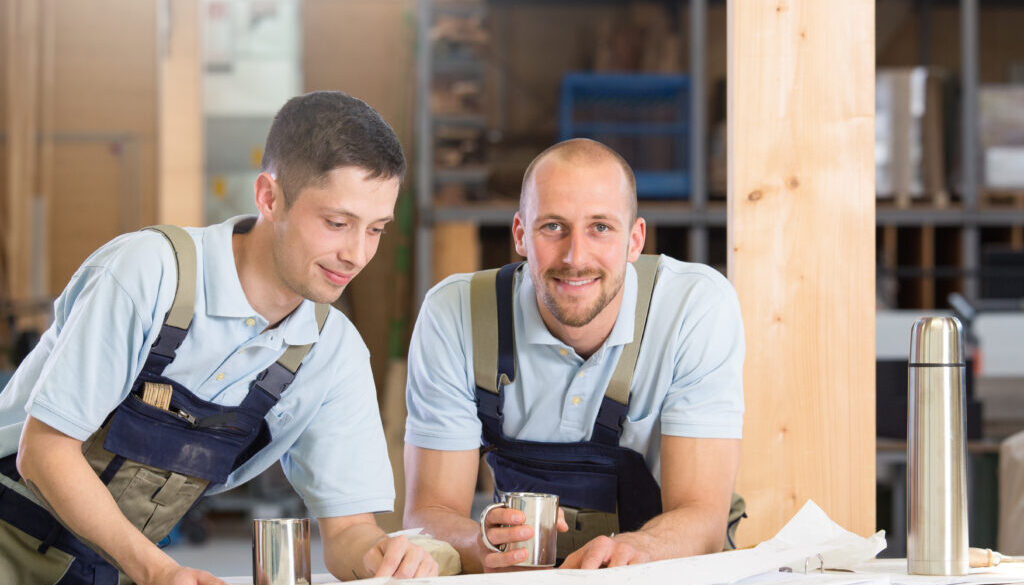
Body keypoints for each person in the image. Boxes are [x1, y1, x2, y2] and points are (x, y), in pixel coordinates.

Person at [0, 91, 437, 584]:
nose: (357, 254)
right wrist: (160, 571)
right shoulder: (149, 273)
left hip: (115, 570)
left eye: (376, 230)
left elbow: (348, 531)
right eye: (337, 224)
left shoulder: (332, 354)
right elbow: (44, 451)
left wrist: (383, 556)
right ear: (270, 197)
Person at [403, 138, 745, 572]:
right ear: (521, 235)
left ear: (635, 240)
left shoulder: (694, 308)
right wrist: (480, 546)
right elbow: (426, 516)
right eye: (553, 227)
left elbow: (703, 517)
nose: (575, 257)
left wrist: (637, 554)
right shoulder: (455, 313)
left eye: (600, 227)